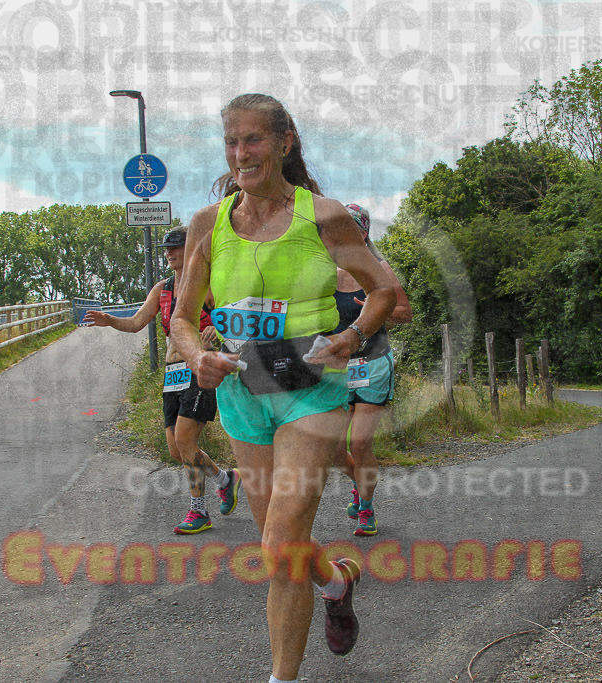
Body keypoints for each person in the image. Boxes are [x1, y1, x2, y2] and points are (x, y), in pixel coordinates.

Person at [170, 93, 396, 683]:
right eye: (231, 142)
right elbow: (183, 317)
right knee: (288, 548)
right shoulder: (207, 225)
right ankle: (335, 581)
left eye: (254, 140)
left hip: (309, 389)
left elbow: (384, 293)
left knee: (275, 545)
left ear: (284, 142)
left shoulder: (322, 216)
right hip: (243, 393)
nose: (241, 153)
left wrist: (349, 338)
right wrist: (198, 356)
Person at [83, 227, 241, 534]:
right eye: (166, 248)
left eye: (176, 247)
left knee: (185, 440)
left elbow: (234, 318)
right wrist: (109, 320)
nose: (169, 253)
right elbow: (136, 322)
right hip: (172, 375)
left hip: (199, 370)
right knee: (176, 449)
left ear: (193, 249)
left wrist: (218, 332)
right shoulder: (163, 289)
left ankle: (198, 511)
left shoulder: (209, 286)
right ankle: (226, 479)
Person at [331, 203, 411, 536]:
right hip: (336, 371)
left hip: (374, 363)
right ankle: (360, 482)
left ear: (362, 232)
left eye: (349, 228)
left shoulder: (380, 269)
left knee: (359, 444)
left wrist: (377, 312)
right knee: (335, 450)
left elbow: (405, 313)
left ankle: (366, 507)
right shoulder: (323, 272)